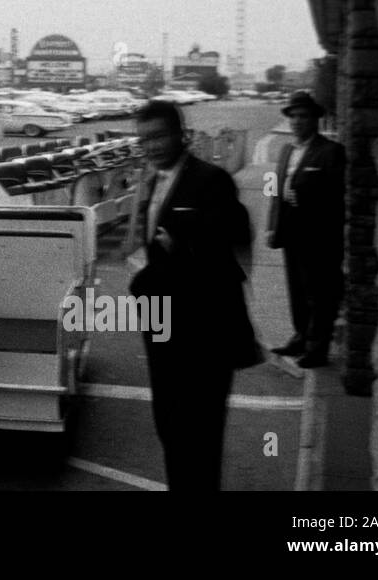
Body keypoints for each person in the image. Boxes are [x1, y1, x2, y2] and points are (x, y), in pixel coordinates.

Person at [129, 100, 254, 490]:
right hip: (162, 328)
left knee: (200, 433)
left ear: (181, 135)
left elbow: (236, 238)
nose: (152, 146)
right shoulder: (151, 181)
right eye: (144, 139)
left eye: (160, 136)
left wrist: (183, 245)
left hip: (204, 332)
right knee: (169, 424)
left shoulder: (211, 180)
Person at [265, 90, 346, 368]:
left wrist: (310, 200)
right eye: (294, 116)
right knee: (296, 289)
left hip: (319, 234)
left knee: (320, 292)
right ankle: (300, 336)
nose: (298, 122)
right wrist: (271, 226)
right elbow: (274, 189)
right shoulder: (286, 150)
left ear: (315, 120)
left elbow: (339, 195)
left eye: (304, 116)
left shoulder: (331, 152)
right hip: (290, 231)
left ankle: (317, 348)